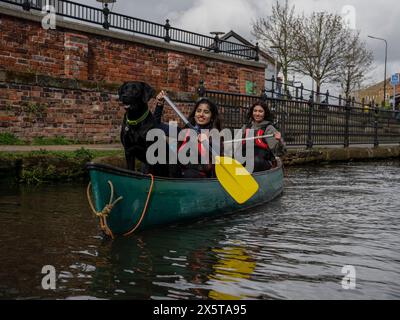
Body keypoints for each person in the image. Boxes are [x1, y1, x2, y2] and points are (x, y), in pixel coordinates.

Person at [155, 91, 222, 178]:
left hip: (198, 177)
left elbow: (214, 164)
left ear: (212, 117)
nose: (201, 114)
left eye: (206, 112)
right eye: (198, 111)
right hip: (179, 172)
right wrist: (159, 105)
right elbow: (156, 126)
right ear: (194, 114)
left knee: (189, 173)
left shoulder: (214, 136)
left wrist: (207, 143)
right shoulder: (184, 132)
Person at [240, 100, 286, 172]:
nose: (257, 114)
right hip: (246, 158)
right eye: (255, 111)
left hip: (261, 161)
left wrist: (279, 141)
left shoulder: (269, 128)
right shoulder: (246, 127)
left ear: (265, 114)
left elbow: (279, 152)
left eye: (260, 111)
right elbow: (236, 145)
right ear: (252, 112)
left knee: (254, 161)